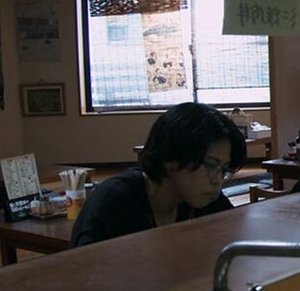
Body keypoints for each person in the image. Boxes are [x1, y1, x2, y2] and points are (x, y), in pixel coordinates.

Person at [71, 102, 247, 247]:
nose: (217, 180)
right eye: (210, 165)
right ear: (172, 157)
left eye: (223, 170)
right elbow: (84, 271)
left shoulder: (207, 200)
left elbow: (237, 248)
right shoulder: (115, 202)